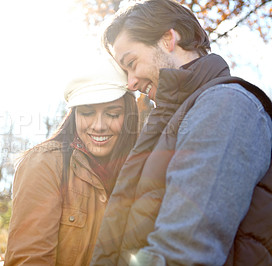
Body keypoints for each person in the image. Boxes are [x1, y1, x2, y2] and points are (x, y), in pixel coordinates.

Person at [91, 0, 272, 265]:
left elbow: (183, 250)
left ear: (168, 38)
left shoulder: (224, 105)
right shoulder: (175, 117)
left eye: (131, 63)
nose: (130, 83)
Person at [4, 55, 139, 265]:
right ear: (74, 115)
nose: (99, 125)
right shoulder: (45, 164)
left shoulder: (140, 172)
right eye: (87, 112)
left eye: (113, 114)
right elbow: (29, 259)